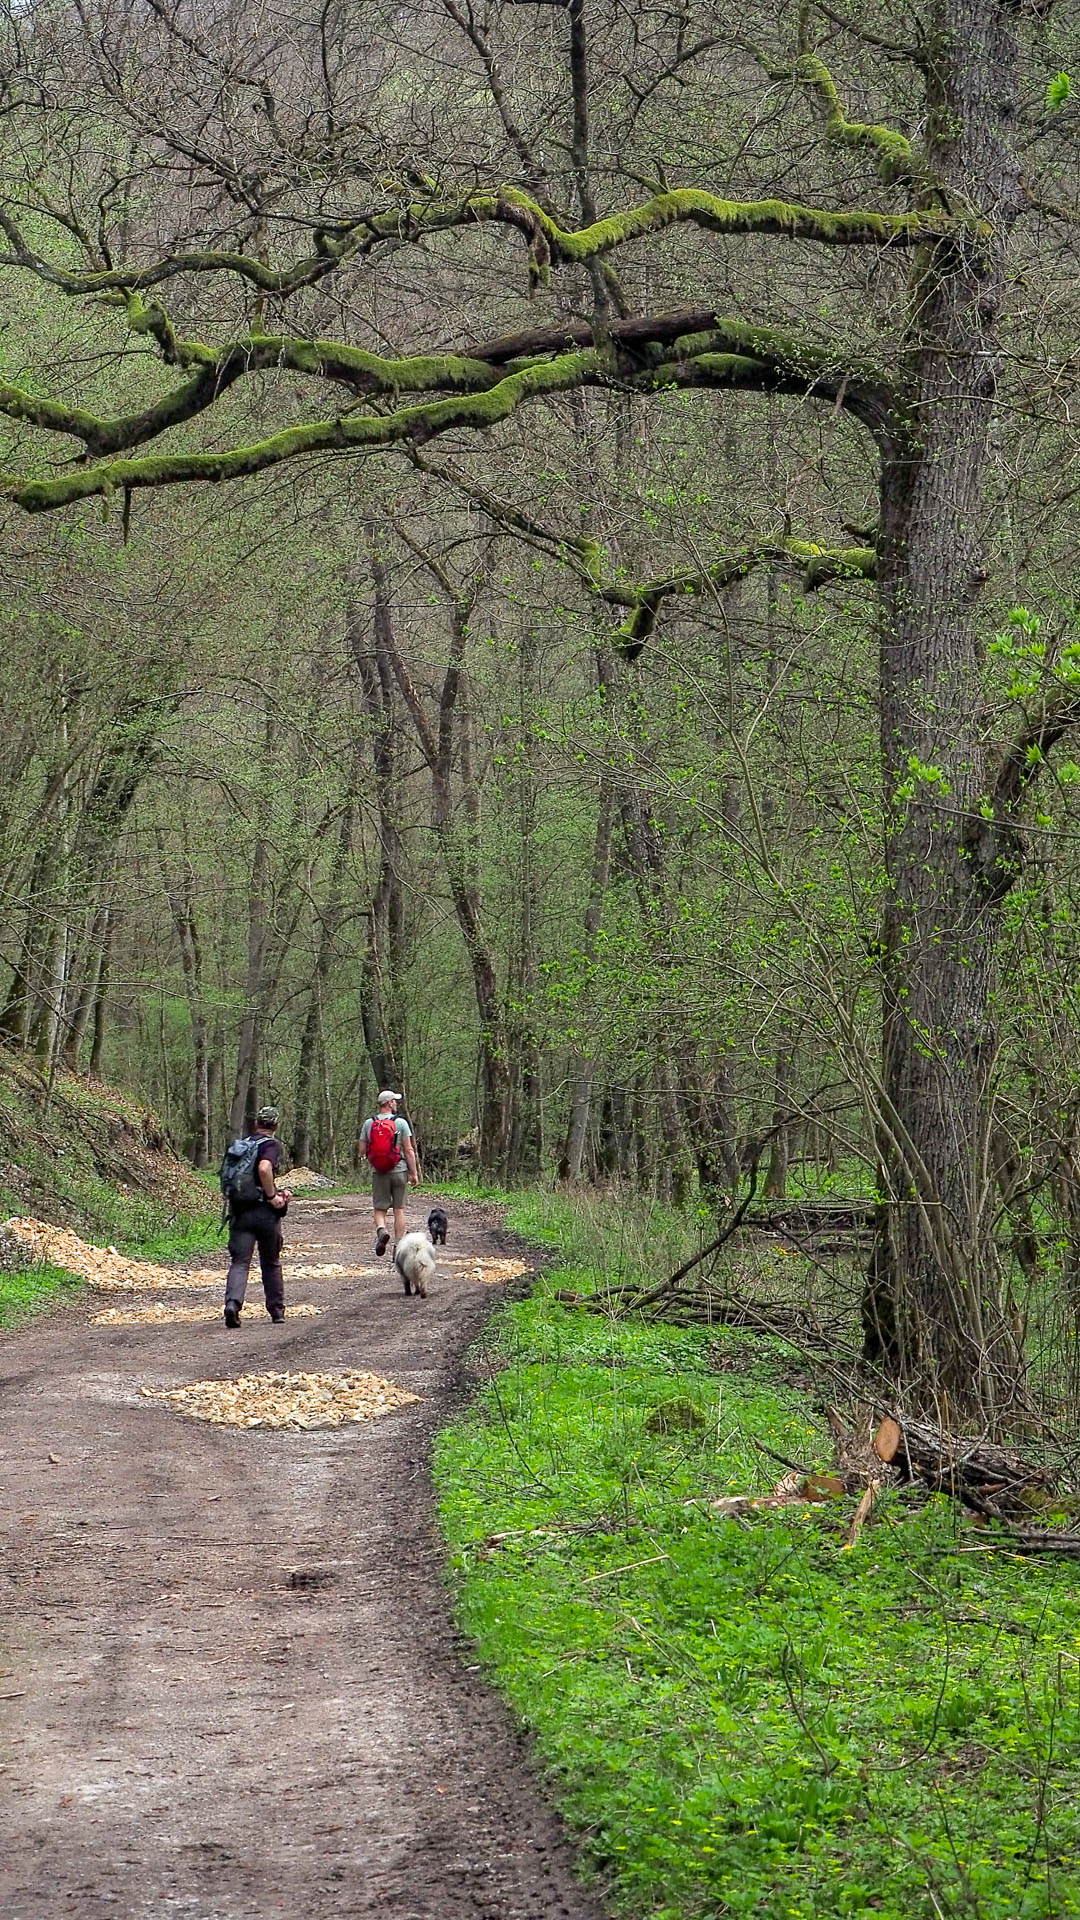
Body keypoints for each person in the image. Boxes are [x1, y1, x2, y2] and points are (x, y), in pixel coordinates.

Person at [222, 1106, 291, 1328]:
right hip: (264, 1213)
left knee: (240, 1263)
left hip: (240, 1211)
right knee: (270, 1262)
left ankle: (233, 1304)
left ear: (256, 1124)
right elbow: (263, 1169)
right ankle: (276, 1310)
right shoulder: (270, 1145)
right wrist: (273, 1197)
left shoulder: (243, 1146)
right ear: (276, 1125)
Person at [359, 1089, 419, 1255]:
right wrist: (413, 1174)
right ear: (389, 1103)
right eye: (394, 1101)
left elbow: (362, 1149)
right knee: (399, 1209)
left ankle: (381, 1230)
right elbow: (408, 1150)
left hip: (379, 1171)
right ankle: (398, 1248)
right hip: (399, 1170)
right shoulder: (400, 1124)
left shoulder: (369, 1123)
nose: (396, 1103)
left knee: (380, 1209)